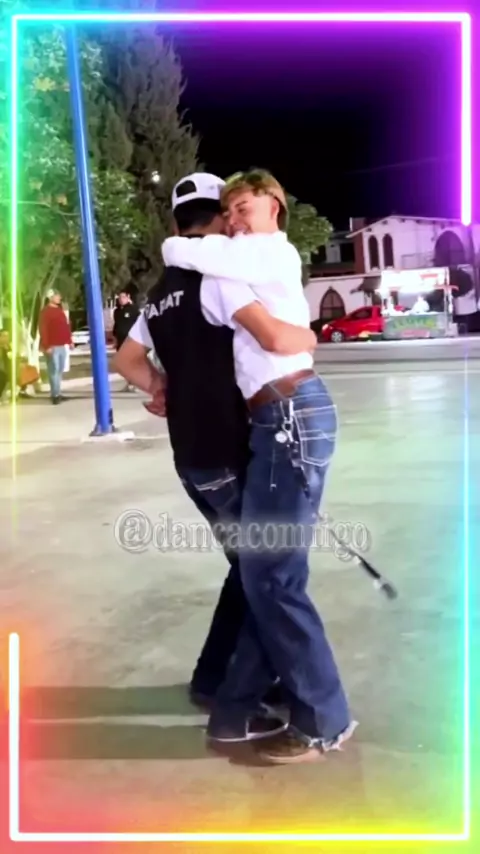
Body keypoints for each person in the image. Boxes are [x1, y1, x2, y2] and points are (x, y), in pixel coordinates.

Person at [161, 169, 356, 764]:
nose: (237, 220)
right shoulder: (240, 264)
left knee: (271, 577)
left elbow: (271, 337)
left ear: (274, 204)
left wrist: (304, 339)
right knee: (267, 574)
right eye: (229, 211)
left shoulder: (260, 255)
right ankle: (237, 704)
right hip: (282, 418)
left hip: (290, 415)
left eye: (244, 207)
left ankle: (319, 719)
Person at [114, 173, 316, 739]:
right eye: (231, 213)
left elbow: (126, 359)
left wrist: (162, 388)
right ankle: (235, 690)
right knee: (265, 571)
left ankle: (222, 678)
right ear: (219, 218)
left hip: (191, 459)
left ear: (177, 221)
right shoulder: (217, 278)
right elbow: (274, 338)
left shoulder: (161, 291)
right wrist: (307, 340)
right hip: (229, 449)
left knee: (249, 568)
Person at [38, 289, 72, 405]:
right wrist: (46, 345)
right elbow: (43, 329)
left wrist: (69, 341)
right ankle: (55, 395)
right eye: (57, 296)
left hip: (62, 345)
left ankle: (58, 392)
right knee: (53, 370)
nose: (59, 298)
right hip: (52, 346)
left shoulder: (59, 310)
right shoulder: (45, 312)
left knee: (60, 370)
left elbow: (66, 326)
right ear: (50, 297)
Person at [112, 291, 140, 392]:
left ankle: (134, 383)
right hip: (120, 340)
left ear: (128, 297)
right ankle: (129, 382)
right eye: (119, 298)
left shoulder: (134, 309)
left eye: (123, 297)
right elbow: (116, 326)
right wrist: (114, 339)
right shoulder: (117, 311)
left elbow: (140, 323)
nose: (121, 299)